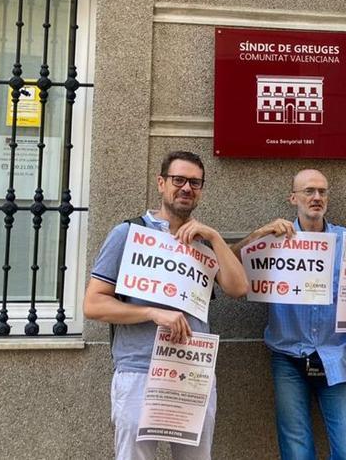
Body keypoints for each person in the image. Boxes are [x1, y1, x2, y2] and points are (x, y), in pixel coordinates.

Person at [83, 150, 250, 460]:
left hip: (192, 372)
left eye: (195, 183)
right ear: (161, 183)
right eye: (178, 180)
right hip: (138, 370)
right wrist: (151, 312)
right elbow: (93, 304)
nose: (186, 188)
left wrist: (213, 236)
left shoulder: (202, 243)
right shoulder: (129, 233)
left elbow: (239, 288)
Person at [233, 169, 346, 460]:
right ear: (293, 197)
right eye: (309, 191)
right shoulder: (273, 241)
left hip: (334, 355)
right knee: (295, 450)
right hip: (287, 357)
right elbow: (228, 267)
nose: (316, 197)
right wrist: (258, 235)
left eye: (322, 191)